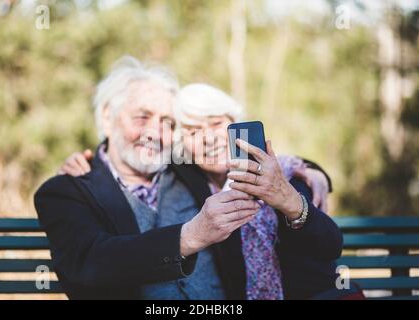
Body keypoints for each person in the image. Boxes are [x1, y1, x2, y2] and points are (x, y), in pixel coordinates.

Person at [48, 56, 345, 299]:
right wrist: (190, 236)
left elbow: (255, 166)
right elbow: (89, 263)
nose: (155, 132)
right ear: (106, 118)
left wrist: (312, 173)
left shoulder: (193, 173)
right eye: (142, 117)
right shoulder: (70, 190)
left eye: (166, 122)